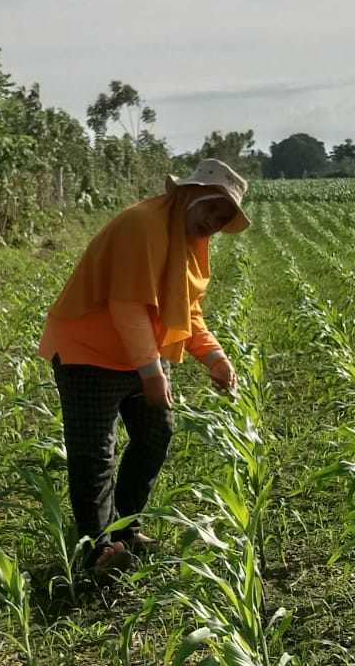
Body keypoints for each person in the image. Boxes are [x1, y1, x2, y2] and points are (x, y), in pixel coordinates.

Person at [38, 158, 250, 577]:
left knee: (156, 435)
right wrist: (152, 374)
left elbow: (187, 311)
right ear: (188, 195)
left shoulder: (186, 242)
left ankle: (126, 527)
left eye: (223, 217)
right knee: (96, 455)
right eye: (211, 208)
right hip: (88, 354)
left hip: (139, 355)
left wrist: (215, 357)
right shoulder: (142, 225)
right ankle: (97, 551)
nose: (214, 222)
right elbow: (128, 305)